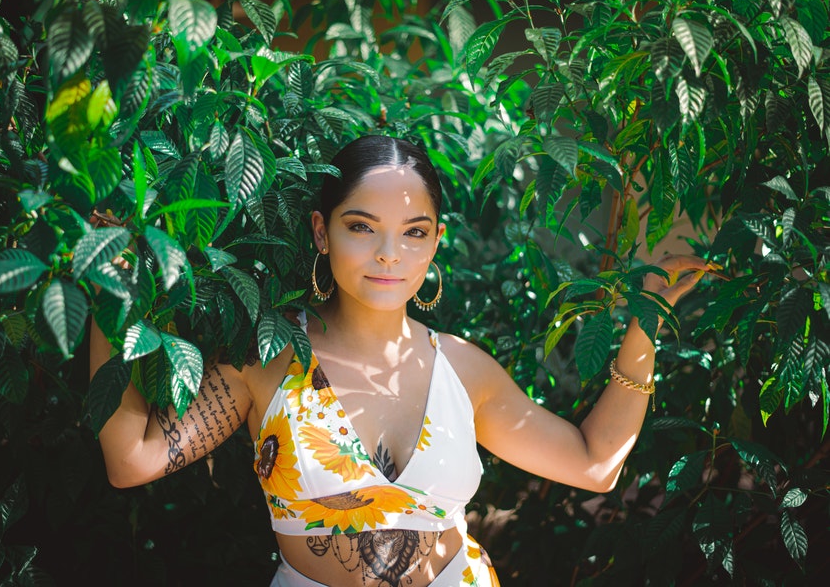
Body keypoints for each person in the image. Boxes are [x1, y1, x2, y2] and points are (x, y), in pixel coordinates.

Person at [91, 135, 710, 586]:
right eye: (362, 226)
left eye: (415, 231)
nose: (391, 254)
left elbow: (594, 463)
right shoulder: (270, 359)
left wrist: (645, 326)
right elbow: (132, 458)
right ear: (319, 231)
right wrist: (104, 287)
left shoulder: (464, 371)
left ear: (437, 241)